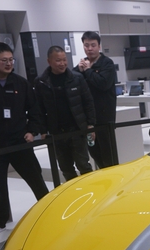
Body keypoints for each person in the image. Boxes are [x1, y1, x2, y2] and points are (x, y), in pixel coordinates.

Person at [0, 42, 49, 234]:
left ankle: (48, 209)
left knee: (35, 178)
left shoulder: (21, 83)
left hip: (19, 140)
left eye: (11, 60)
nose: (8, 64)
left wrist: (32, 131)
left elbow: (34, 109)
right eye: (3, 60)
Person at [34, 46, 96, 181]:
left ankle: (91, 189)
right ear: (49, 61)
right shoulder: (41, 82)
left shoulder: (77, 78)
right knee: (66, 168)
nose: (62, 63)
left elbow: (88, 102)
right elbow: (39, 109)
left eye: (64, 60)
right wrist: (43, 130)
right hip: (56, 132)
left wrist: (91, 125)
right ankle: (74, 191)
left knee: (83, 165)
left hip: (77, 129)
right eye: (58, 60)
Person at [74, 31, 118, 169]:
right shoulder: (81, 65)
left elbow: (103, 84)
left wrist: (88, 71)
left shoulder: (107, 63)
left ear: (99, 46)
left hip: (104, 117)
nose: (89, 49)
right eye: (86, 45)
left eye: (93, 45)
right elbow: (71, 81)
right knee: (94, 153)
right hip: (88, 119)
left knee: (109, 156)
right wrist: (79, 71)